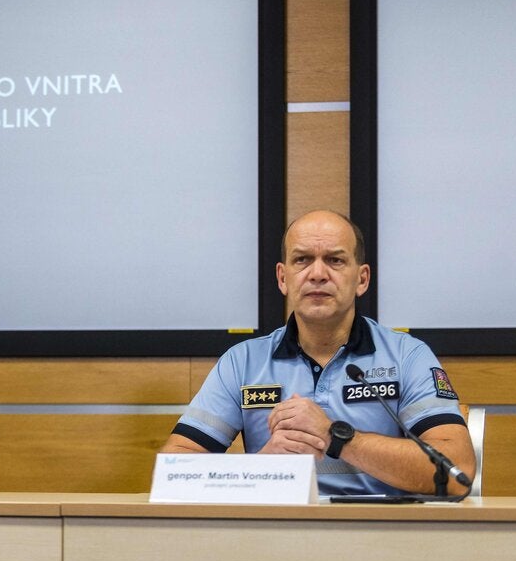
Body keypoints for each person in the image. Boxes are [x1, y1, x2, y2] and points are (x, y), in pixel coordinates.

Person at [162, 210, 475, 495]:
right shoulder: (242, 363)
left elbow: (457, 473)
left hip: (379, 531)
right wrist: (262, 466)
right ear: (283, 278)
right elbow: (173, 471)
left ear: (362, 279)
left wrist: (336, 437)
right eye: (302, 260)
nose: (317, 274)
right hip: (275, 530)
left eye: (335, 260)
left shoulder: (407, 356)